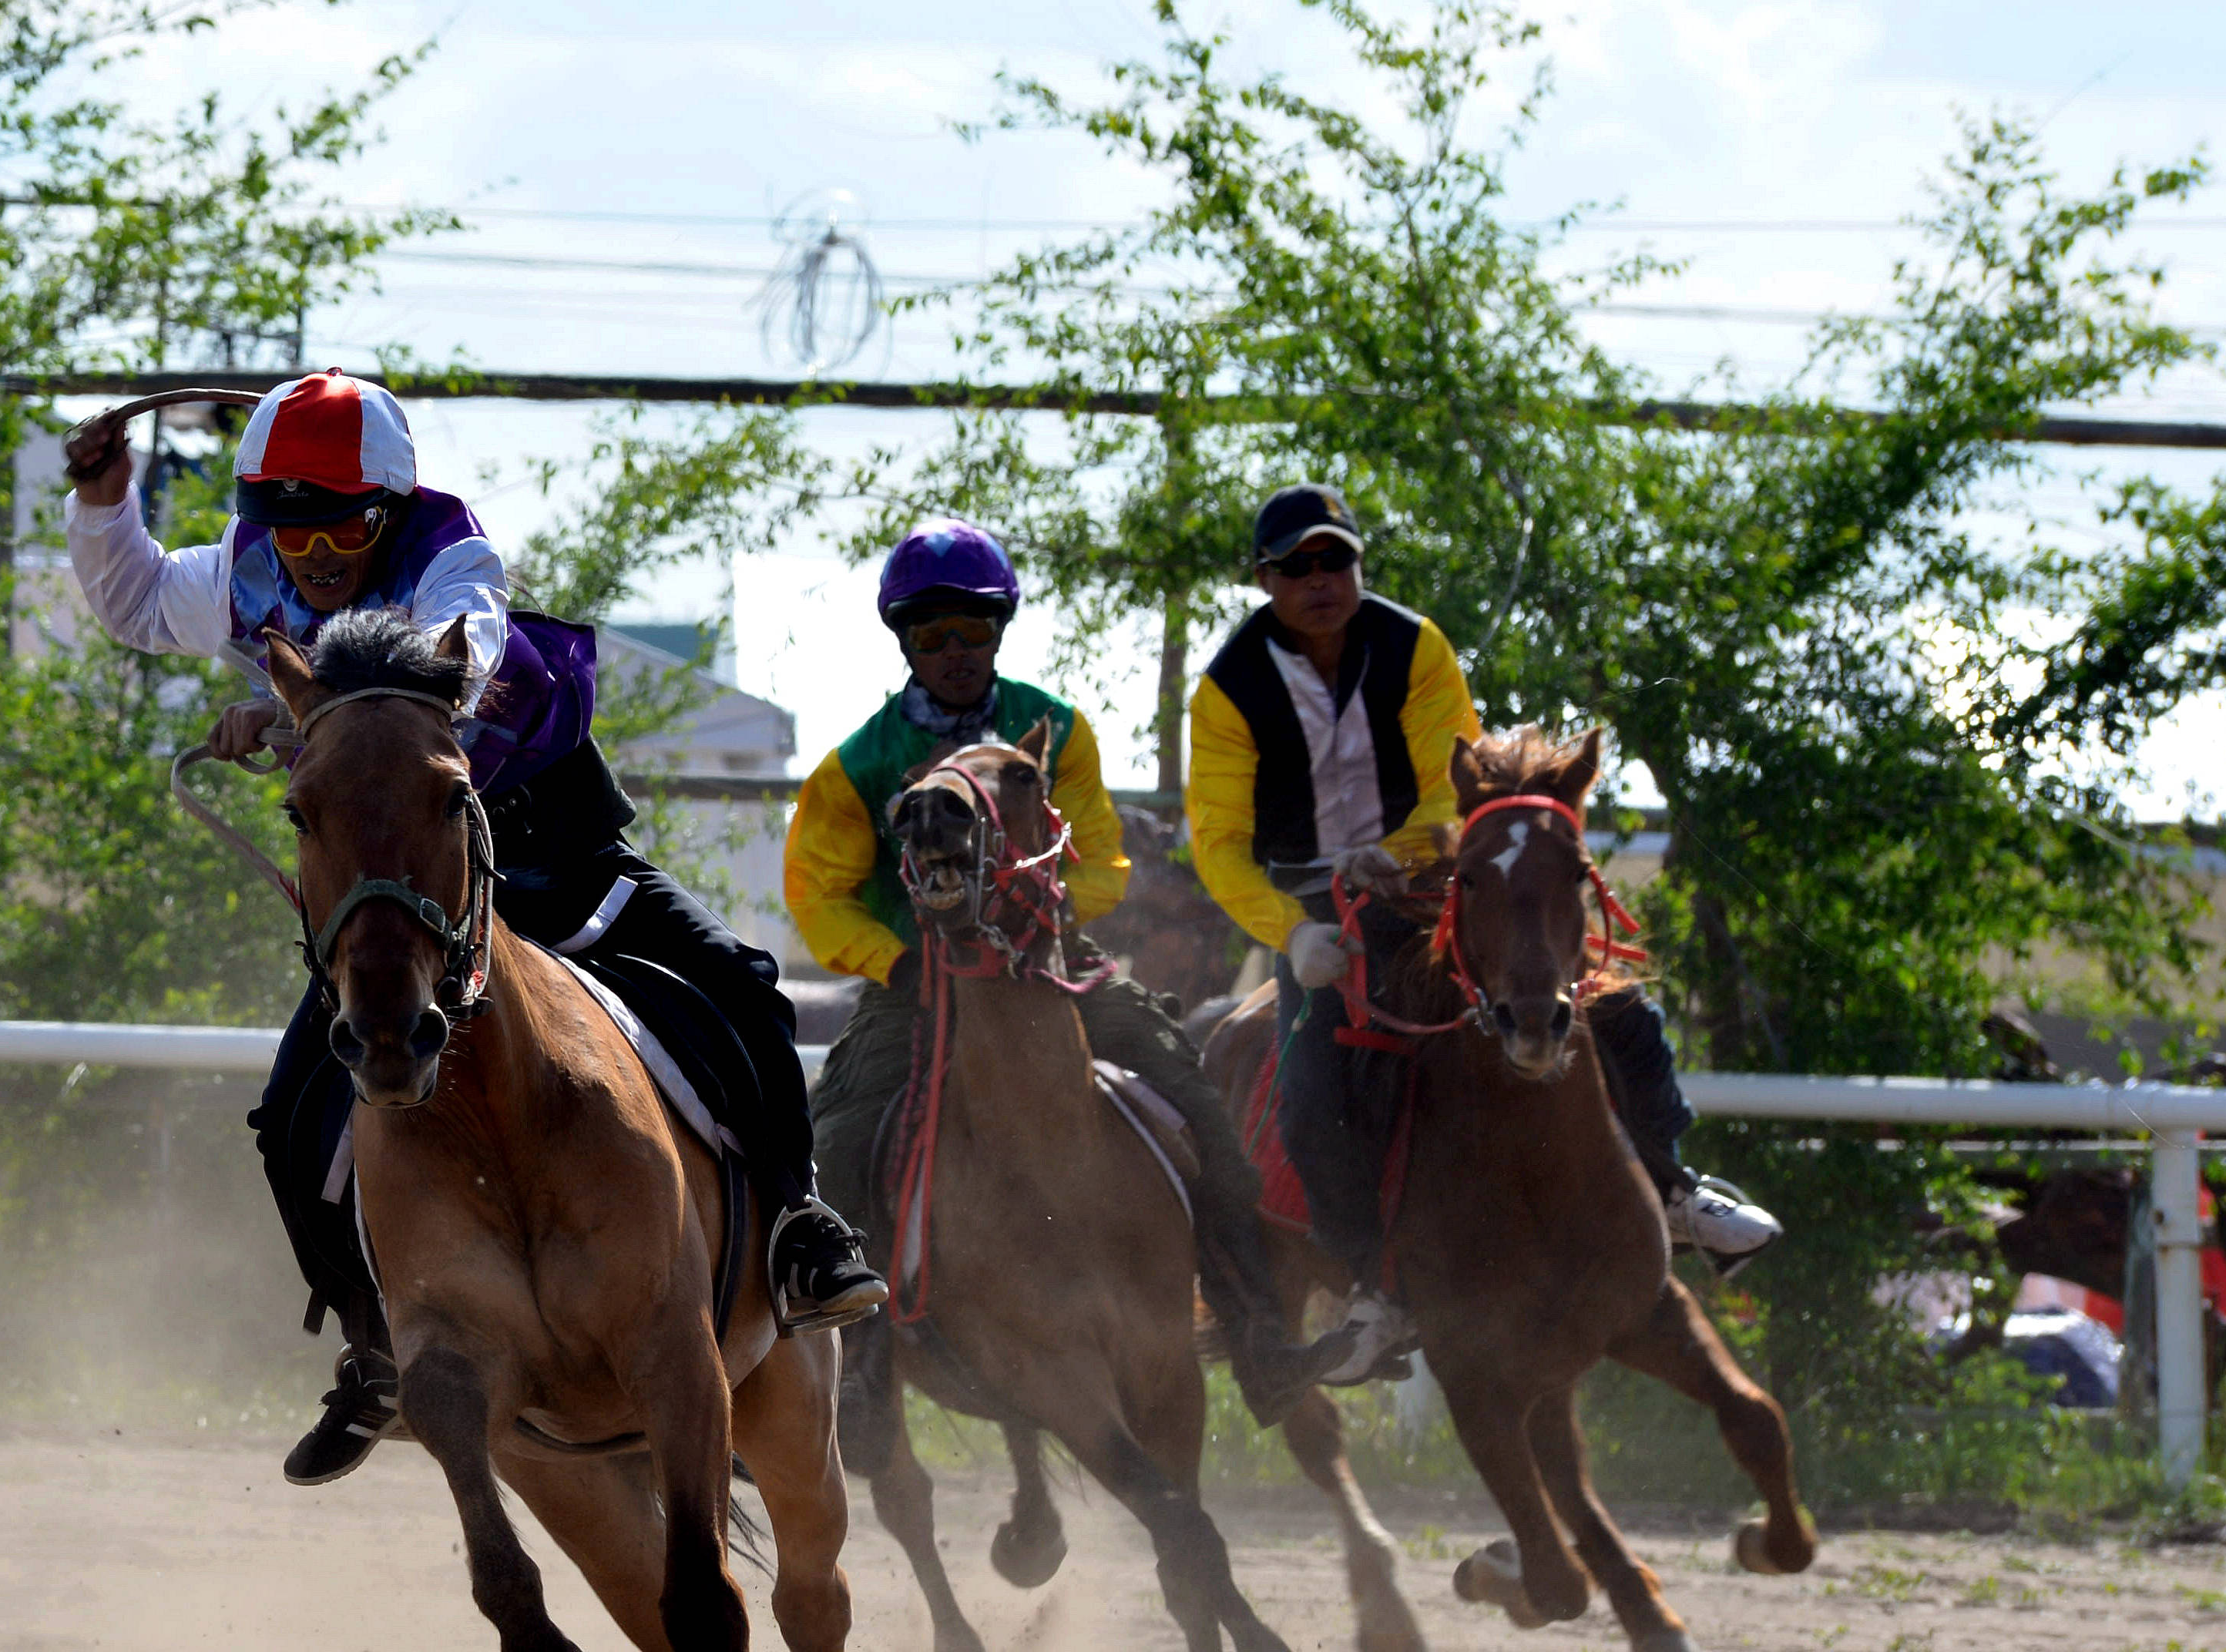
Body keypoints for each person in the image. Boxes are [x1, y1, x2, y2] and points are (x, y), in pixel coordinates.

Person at [66, 371, 885, 1486]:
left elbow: (469, 646)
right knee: (286, 1114)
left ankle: (798, 1228)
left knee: (742, 981)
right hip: (404, 905)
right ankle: (377, 1345)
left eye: (341, 524)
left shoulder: (455, 561)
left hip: (550, 857)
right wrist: (105, 503)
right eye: (288, 526)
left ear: (392, 511)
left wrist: (304, 709)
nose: (309, 552)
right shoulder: (244, 569)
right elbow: (133, 598)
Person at [1184, 482, 1778, 1385]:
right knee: (1308, 1091)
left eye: (1334, 558)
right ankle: (1368, 1290)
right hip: (1314, 923)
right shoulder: (1226, 689)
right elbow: (1220, 845)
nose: (1319, 579)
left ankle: (1676, 1185)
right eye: (1296, 566)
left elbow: (1447, 779)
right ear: (1264, 579)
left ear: (1357, 562)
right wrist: (1291, 930)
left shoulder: (1416, 645)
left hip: (1430, 888)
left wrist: (1396, 856)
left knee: (1612, 1004)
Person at [784, 519, 1345, 1411]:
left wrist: (1036, 925)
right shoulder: (857, 763)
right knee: (837, 1144)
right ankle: (863, 1371)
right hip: (917, 988)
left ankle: (1259, 1338)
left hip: (1054, 967)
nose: (956, 650)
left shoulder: (1059, 729)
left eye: (973, 629)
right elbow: (818, 894)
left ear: (1000, 630)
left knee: (1202, 1110)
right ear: (905, 641)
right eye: (933, 634)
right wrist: (893, 960)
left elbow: (1104, 863)